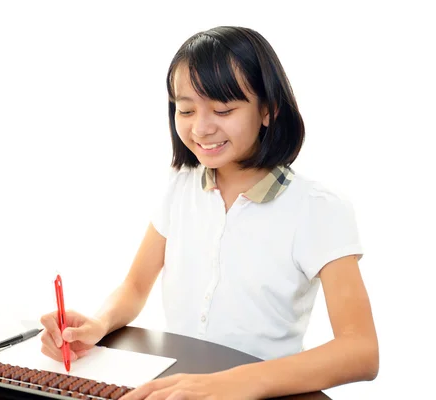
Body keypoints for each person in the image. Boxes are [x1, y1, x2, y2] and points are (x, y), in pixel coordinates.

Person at [39, 26, 379, 399]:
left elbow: (360, 351)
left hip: (265, 392)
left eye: (223, 109)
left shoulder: (318, 209)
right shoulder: (181, 186)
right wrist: (97, 324)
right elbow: (136, 287)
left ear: (268, 110)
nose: (201, 127)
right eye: (185, 109)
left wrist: (235, 383)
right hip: (182, 387)